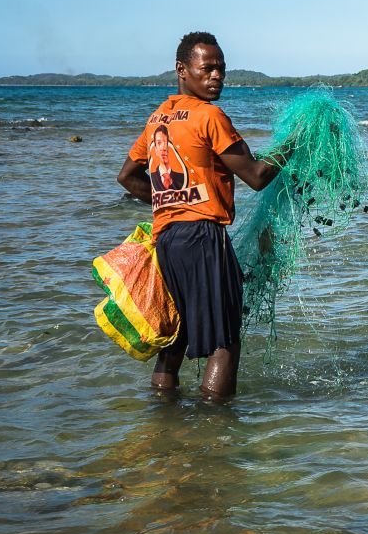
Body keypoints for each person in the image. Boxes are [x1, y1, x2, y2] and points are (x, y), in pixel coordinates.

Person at [116, 32, 285, 401]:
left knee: (177, 336)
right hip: (203, 238)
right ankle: (214, 429)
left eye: (221, 70)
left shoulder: (158, 118)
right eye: (206, 68)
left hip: (167, 241)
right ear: (182, 69)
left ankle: (164, 416)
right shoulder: (211, 116)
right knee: (225, 340)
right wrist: (293, 146)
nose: (216, 77)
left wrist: (170, 203)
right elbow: (257, 176)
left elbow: (127, 176)